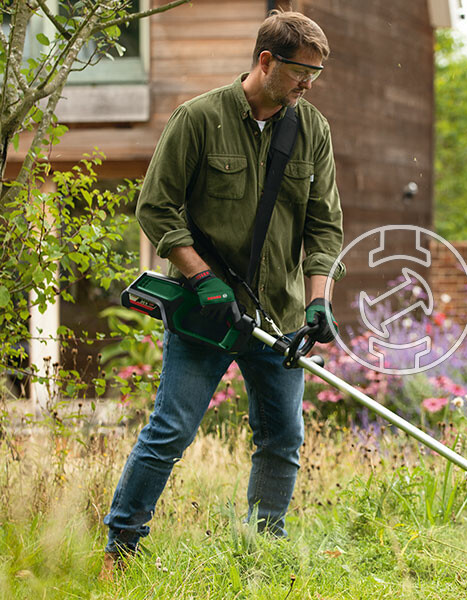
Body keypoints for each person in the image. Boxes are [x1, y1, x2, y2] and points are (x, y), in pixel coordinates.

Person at [100, 10, 344, 579]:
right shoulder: (199, 119)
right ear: (266, 61)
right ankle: (120, 548)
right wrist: (200, 277)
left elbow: (324, 227)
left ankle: (262, 553)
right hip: (207, 313)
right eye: (301, 72)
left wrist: (318, 301)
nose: (308, 85)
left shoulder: (311, 129)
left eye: (317, 74)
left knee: (282, 438)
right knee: (172, 430)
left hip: (278, 316)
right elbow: (155, 207)